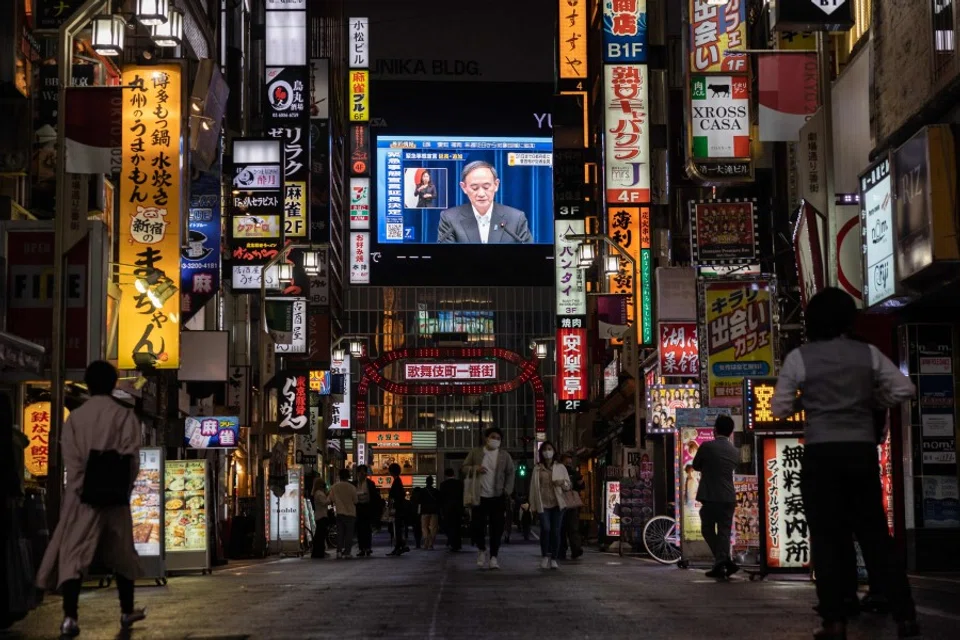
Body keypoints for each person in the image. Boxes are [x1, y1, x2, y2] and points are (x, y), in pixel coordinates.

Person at [772, 287, 919, 640]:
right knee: (874, 536)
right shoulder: (867, 354)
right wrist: (870, 398)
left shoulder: (800, 357)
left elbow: (779, 407)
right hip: (860, 453)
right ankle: (905, 616)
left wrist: (807, 404)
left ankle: (834, 621)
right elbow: (905, 389)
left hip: (821, 454)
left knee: (826, 538)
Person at [37, 361, 146, 637]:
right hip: (115, 496)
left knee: (74, 555)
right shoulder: (124, 416)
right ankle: (126, 609)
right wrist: (123, 486)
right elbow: (132, 459)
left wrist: (80, 483)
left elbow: (71, 461)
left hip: (82, 496)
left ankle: (70, 617)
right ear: (112, 384)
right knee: (122, 553)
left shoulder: (76, 418)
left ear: (88, 383)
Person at [691, 414, 740, 579]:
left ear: (715, 429)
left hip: (711, 496)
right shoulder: (734, 451)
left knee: (707, 529)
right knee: (724, 532)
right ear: (731, 431)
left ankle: (722, 561)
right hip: (729, 497)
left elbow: (696, 465)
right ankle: (723, 563)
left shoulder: (707, 446)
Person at [436, 161, 532, 244]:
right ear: (464, 187)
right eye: (474, 188)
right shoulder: (450, 219)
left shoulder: (516, 218)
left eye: (486, 187)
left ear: (496, 185)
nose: (481, 194)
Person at [462, 427, 515, 569]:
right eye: (493, 437)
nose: (495, 440)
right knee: (477, 526)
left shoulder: (504, 455)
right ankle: (481, 549)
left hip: (498, 496)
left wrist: (507, 490)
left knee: (496, 528)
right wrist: (475, 469)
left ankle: (493, 557)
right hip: (479, 496)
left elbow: (511, 473)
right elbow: (464, 468)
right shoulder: (476, 452)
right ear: (486, 438)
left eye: (498, 438)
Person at [529, 441, 571, 570]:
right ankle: (545, 556)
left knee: (556, 531)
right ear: (541, 452)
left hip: (557, 504)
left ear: (554, 451)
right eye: (545, 449)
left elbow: (568, 485)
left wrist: (562, 483)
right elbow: (533, 488)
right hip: (543, 504)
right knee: (546, 529)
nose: (547, 451)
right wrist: (533, 505)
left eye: (550, 449)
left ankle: (553, 557)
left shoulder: (560, 467)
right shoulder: (537, 469)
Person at [558, 452, 585, 560]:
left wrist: (579, 482)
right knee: (564, 528)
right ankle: (564, 550)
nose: (568, 463)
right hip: (561, 503)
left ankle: (574, 549)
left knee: (571, 528)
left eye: (570, 461)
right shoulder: (559, 472)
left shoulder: (574, 473)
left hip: (571, 504)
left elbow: (581, 485)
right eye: (567, 461)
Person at [327, 469, 358, 559]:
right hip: (351, 513)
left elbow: (331, 499)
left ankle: (339, 552)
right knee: (349, 534)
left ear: (339, 476)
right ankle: (347, 552)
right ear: (348, 476)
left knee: (340, 533)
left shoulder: (334, 487)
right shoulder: (352, 487)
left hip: (340, 512)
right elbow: (355, 501)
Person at [355, 465, 383, 557]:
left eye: (364, 473)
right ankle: (361, 548)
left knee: (367, 529)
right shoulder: (354, 484)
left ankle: (368, 547)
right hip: (358, 507)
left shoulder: (370, 483)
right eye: (360, 473)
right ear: (357, 473)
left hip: (367, 507)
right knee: (359, 529)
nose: (362, 475)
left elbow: (374, 496)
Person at [386, 464, 409, 557]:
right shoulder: (398, 481)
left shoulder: (396, 482)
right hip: (400, 509)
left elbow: (395, 496)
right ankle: (399, 545)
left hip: (397, 509)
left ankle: (399, 545)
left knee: (396, 528)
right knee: (397, 528)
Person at [438, 468, 464, 552]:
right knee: (457, 526)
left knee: (449, 526)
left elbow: (441, 498)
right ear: (454, 474)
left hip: (447, 509)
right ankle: (458, 544)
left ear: (445, 475)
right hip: (458, 508)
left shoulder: (443, 485)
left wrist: (441, 509)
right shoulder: (459, 484)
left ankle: (452, 543)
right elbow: (462, 496)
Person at [419, 476, 441, 550]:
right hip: (434, 511)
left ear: (426, 482)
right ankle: (431, 544)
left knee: (424, 527)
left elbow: (419, 502)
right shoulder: (436, 491)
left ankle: (426, 540)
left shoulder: (422, 491)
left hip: (424, 511)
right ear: (432, 482)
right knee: (433, 528)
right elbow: (439, 502)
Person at [311, 478, 330, 559]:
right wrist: (329, 498)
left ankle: (318, 552)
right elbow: (324, 502)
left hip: (319, 515)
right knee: (320, 535)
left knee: (319, 535)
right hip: (321, 515)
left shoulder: (317, 493)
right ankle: (319, 552)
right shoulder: (319, 493)